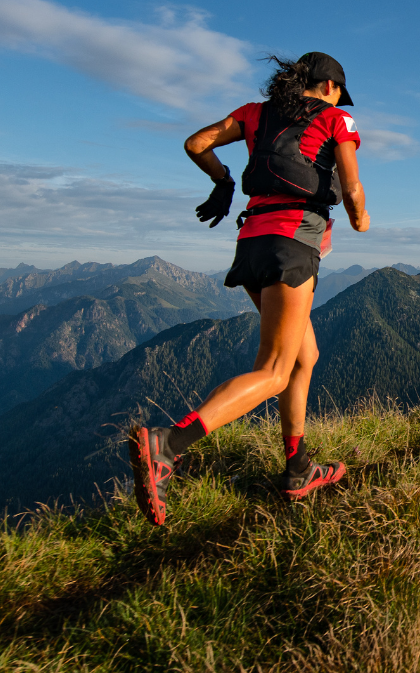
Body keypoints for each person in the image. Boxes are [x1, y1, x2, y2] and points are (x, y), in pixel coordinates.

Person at [126, 52, 371, 525]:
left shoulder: (254, 113)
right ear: (327, 86)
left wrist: (223, 181)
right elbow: (353, 187)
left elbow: (196, 142)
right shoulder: (338, 119)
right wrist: (359, 219)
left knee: (304, 356)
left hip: (251, 243)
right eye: (339, 90)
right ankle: (167, 446)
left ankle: (298, 468)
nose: (340, 98)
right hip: (292, 244)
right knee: (276, 370)